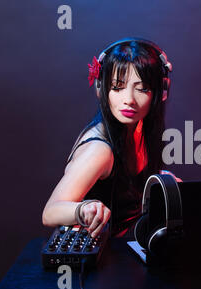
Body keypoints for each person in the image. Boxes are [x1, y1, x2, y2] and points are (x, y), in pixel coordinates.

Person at [42, 38, 180, 238]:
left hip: (130, 249)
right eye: (117, 87)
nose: (129, 99)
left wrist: (162, 183)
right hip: (107, 260)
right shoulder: (100, 150)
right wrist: (84, 210)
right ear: (101, 88)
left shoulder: (141, 129)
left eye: (142, 89)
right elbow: (50, 212)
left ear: (160, 92)